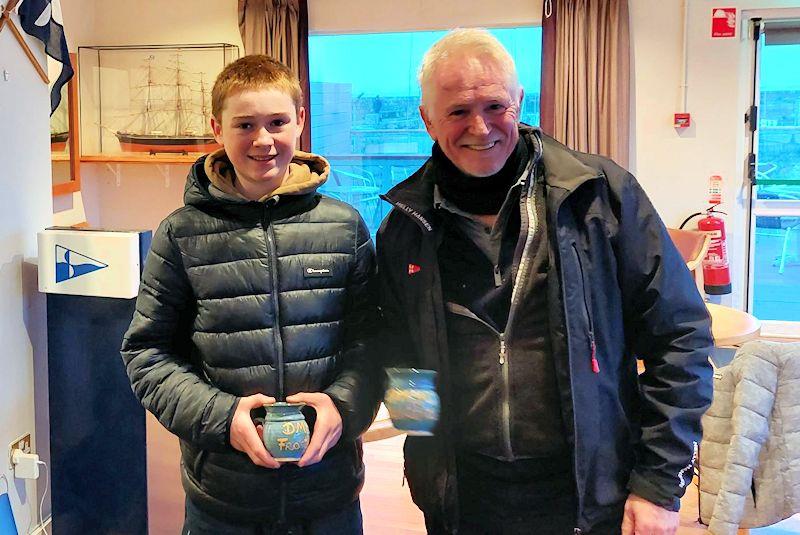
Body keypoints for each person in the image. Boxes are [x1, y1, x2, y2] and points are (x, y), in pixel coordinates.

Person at [376, 29, 713, 535]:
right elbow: (400, 355)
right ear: (427, 119)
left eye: (495, 106)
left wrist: (660, 483)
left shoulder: (599, 198)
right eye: (457, 112)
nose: (480, 127)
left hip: (587, 491)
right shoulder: (406, 227)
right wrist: (425, 454)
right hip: (467, 498)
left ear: (520, 101)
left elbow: (680, 339)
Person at [121, 54, 380, 535]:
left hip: (328, 496)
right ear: (217, 129)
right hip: (223, 501)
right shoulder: (180, 234)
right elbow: (146, 353)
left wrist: (341, 408)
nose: (263, 140)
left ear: (300, 122)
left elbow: (372, 342)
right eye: (245, 125)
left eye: (277, 122)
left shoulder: (344, 227)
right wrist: (223, 418)